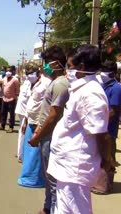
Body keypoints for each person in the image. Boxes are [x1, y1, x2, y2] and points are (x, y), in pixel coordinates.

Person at [47, 45, 112, 213]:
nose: (67, 70)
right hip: (66, 168)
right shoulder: (80, 90)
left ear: (81, 68)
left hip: (75, 169)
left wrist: (107, 161)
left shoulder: (90, 93)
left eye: (69, 66)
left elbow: (101, 134)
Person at [28, 45, 69, 214]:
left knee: (53, 180)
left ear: (56, 64)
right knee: (48, 176)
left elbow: (53, 116)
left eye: (47, 63)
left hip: (51, 137)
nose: (44, 66)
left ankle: (53, 209)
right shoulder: (55, 83)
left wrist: (38, 135)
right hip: (46, 136)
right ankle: (47, 207)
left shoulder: (60, 84)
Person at [18, 62, 51, 188]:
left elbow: (48, 106)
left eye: (32, 73)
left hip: (39, 123)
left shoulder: (46, 83)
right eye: (27, 73)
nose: (29, 75)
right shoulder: (30, 84)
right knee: (28, 151)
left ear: (38, 73)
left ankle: (37, 180)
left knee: (37, 154)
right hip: (30, 121)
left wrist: (41, 125)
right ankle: (27, 176)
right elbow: (30, 104)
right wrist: (25, 121)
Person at [94, 60, 121, 193]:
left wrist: (100, 120)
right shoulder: (102, 86)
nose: (102, 73)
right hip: (100, 127)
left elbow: (114, 110)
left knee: (109, 156)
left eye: (105, 70)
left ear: (113, 73)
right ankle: (99, 182)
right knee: (100, 155)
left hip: (109, 129)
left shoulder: (116, 88)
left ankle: (106, 185)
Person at [0, 68, 20, 133]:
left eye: (9, 71)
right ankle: (2, 126)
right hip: (4, 98)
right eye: (7, 71)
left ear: (12, 72)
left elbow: (17, 89)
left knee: (11, 114)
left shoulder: (15, 80)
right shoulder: (4, 79)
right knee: (3, 112)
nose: (8, 72)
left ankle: (11, 127)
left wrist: (16, 97)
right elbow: (0, 84)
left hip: (12, 99)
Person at [15, 70, 31, 162]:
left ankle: (20, 153)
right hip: (23, 111)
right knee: (23, 132)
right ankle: (20, 154)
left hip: (25, 111)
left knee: (23, 133)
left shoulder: (28, 83)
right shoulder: (27, 82)